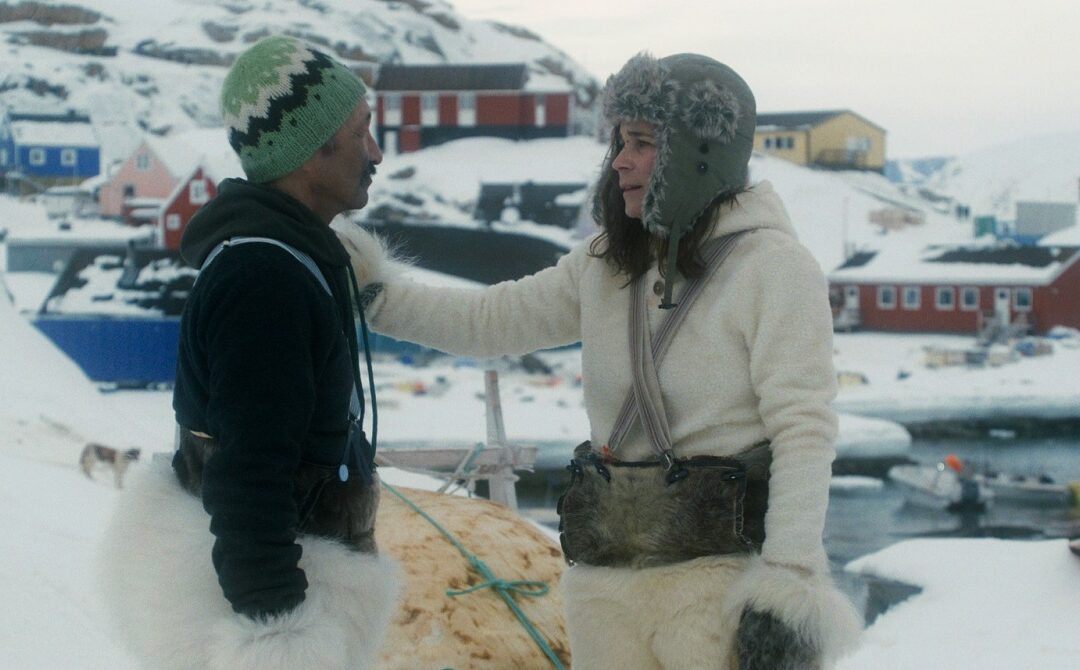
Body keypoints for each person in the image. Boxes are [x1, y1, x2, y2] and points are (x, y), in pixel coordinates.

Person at [340, 52, 861, 667]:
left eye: (641, 142)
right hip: (605, 587)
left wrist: (788, 582)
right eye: (619, 141)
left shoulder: (774, 268)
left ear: (696, 152)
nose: (619, 160)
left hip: (718, 589)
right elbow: (491, 322)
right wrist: (372, 295)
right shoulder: (605, 264)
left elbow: (804, 428)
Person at [99, 36, 397, 669]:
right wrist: (281, 635)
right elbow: (250, 475)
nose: (375, 152)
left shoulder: (287, 259)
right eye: (361, 132)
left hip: (303, 582)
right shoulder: (264, 278)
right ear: (312, 150)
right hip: (274, 616)